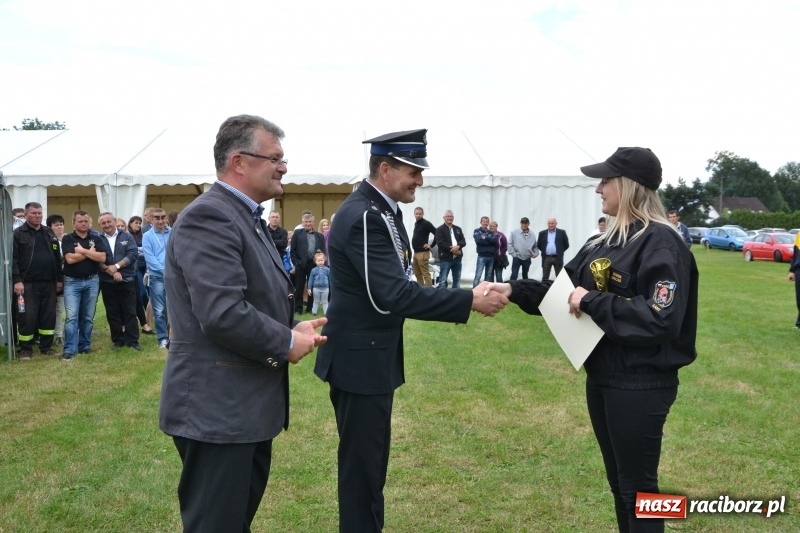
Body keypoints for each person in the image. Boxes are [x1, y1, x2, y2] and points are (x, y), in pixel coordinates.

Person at [489, 147, 698, 533]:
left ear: (630, 186)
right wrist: (512, 288)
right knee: (620, 485)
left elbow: (660, 317)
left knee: (641, 491)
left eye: (605, 181)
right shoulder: (599, 242)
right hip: (602, 377)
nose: (598, 188)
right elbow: (562, 291)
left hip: (641, 381)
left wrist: (593, 301)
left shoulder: (661, 243)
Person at [314, 128, 507, 533]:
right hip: (359, 361)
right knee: (362, 473)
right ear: (385, 169)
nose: (420, 179)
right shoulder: (367, 216)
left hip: (368, 357)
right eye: (413, 171)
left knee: (369, 468)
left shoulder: (382, 210)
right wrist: (467, 299)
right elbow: (392, 296)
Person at [159, 114, 326, 532]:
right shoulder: (211, 216)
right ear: (239, 161)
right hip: (218, 411)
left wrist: (291, 330)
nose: (283, 167)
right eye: (275, 158)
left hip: (239, 407)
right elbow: (222, 313)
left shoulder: (240, 216)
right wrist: (286, 340)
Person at [13, 202, 63, 359]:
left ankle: (46, 346)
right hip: (27, 283)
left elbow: (57, 258)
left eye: (40, 213)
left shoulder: (49, 233)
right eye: (34, 213)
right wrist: (17, 280)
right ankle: (25, 349)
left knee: (48, 315)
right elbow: (13, 260)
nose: (37, 216)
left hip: (49, 282)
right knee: (27, 316)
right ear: (26, 215)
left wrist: (59, 280)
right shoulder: (18, 234)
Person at [61, 211, 108, 360]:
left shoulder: (96, 238)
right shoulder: (68, 238)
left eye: (86, 221)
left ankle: (85, 346)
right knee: (71, 317)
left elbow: (102, 257)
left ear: (90, 223)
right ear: (74, 223)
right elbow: (69, 259)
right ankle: (69, 349)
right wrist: (89, 253)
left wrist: (81, 251)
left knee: (88, 317)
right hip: (72, 281)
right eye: (80, 221)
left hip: (92, 280)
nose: (83, 224)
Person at [98, 212, 140, 351]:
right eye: (103, 223)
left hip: (127, 279)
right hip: (107, 281)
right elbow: (96, 260)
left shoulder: (126, 236)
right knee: (112, 312)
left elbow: (133, 254)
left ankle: (132, 341)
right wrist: (110, 271)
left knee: (130, 311)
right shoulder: (97, 239)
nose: (107, 225)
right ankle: (118, 340)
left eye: (109, 221)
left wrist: (116, 267)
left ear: (114, 221)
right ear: (100, 225)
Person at [143, 208, 171, 348]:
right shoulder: (147, 236)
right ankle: (162, 338)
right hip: (157, 277)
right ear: (151, 220)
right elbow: (150, 258)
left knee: (174, 309)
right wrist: (165, 271)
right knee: (159, 310)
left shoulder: (173, 232)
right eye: (157, 218)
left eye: (162, 217)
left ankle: (174, 336)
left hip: (174, 277)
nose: (160, 221)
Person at [290, 213, 325, 314]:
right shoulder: (297, 233)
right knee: (299, 287)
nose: (308, 224)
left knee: (312, 287)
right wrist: (296, 263)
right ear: (302, 222)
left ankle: (310, 308)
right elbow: (293, 250)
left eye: (310, 222)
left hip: (314, 265)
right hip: (300, 264)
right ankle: (298, 309)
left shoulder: (320, 236)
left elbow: (322, 251)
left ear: (313, 222)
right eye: (306, 222)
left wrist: (319, 262)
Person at [128, 216, 153, 334]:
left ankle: (149, 320)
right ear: (131, 223)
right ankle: (142, 317)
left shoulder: (144, 235)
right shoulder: (128, 236)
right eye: (136, 223)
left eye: (139, 223)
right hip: (136, 268)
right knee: (142, 293)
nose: (138, 225)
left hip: (146, 267)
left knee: (151, 293)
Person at [46, 213, 66, 345]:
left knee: (60, 307)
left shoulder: (68, 239)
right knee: (48, 308)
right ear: (49, 227)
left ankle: (59, 334)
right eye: (56, 225)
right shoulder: (47, 240)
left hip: (65, 277)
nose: (59, 227)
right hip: (49, 278)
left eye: (61, 224)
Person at [435, 210, 466, 288]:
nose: (449, 218)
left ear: (453, 218)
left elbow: (463, 241)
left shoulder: (458, 229)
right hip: (445, 259)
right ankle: (442, 298)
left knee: (457, 281)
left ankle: (455, 298)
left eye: (451, 216)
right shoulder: (439, 229)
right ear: (444, 218)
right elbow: (440, 243)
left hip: (457, 259)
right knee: (442, 281)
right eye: (447, 216)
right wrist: (453, 249)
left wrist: (458, 246)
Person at [411, 206, 437, 286]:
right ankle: (421, 291)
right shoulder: (416, 223)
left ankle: (429, 293)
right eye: (417, 214)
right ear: (414, 214)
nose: (418, 215)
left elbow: (437, 233)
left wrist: (431, 245)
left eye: (420, 214)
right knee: (417, 274)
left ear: (423, 214)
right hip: (415, 253)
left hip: (423, 253)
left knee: (425, 274)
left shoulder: (426, 223)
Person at [472, 215, 497, 287]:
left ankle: (485, 291)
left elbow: (494, 241)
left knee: (488, 276)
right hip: (482, 256)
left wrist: (485, 238)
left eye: (487, 222)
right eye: (484, 221)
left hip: (491, 257)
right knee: (478, 275)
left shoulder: (491, 232)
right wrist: (489, 240)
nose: (485, 223)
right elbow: (479, 241)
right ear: (481, 222)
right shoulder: (477, 231)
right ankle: (475, 291)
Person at [307, 251, 331, 316]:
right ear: (315, 261)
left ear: (324, 260)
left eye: (321, 260)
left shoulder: (327, 269)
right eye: (318, 260)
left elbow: (330, 279)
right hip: (316, 288)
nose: (320, 262)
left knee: (325, 301)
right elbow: (310, 280)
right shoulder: (313, 270)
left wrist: (331, 287)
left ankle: (326, 313)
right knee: (316, 300)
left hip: (325, 288)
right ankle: (314, 312)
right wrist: (309, 288)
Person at [788, 231, 800, 329]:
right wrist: (792, 271)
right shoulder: (799, 235)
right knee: (799, 299)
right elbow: (795, 254)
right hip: (799, 270)